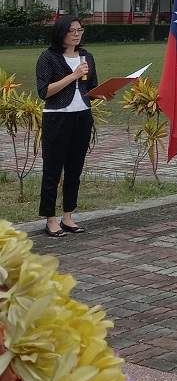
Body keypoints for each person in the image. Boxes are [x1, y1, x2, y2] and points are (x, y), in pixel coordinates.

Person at [36, 16, 102, 237]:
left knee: (75, 169)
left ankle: (68, 216)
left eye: (80, 30)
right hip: (57, 117)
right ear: (61, 33)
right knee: (53, 171)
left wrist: (105, 93)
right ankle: (50, 219)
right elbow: (45, 91)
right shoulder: (48, 58)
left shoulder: (86, 56)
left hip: (82, 116)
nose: (77, 34)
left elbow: (91, 88)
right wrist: (73, 75)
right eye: (72, 30)